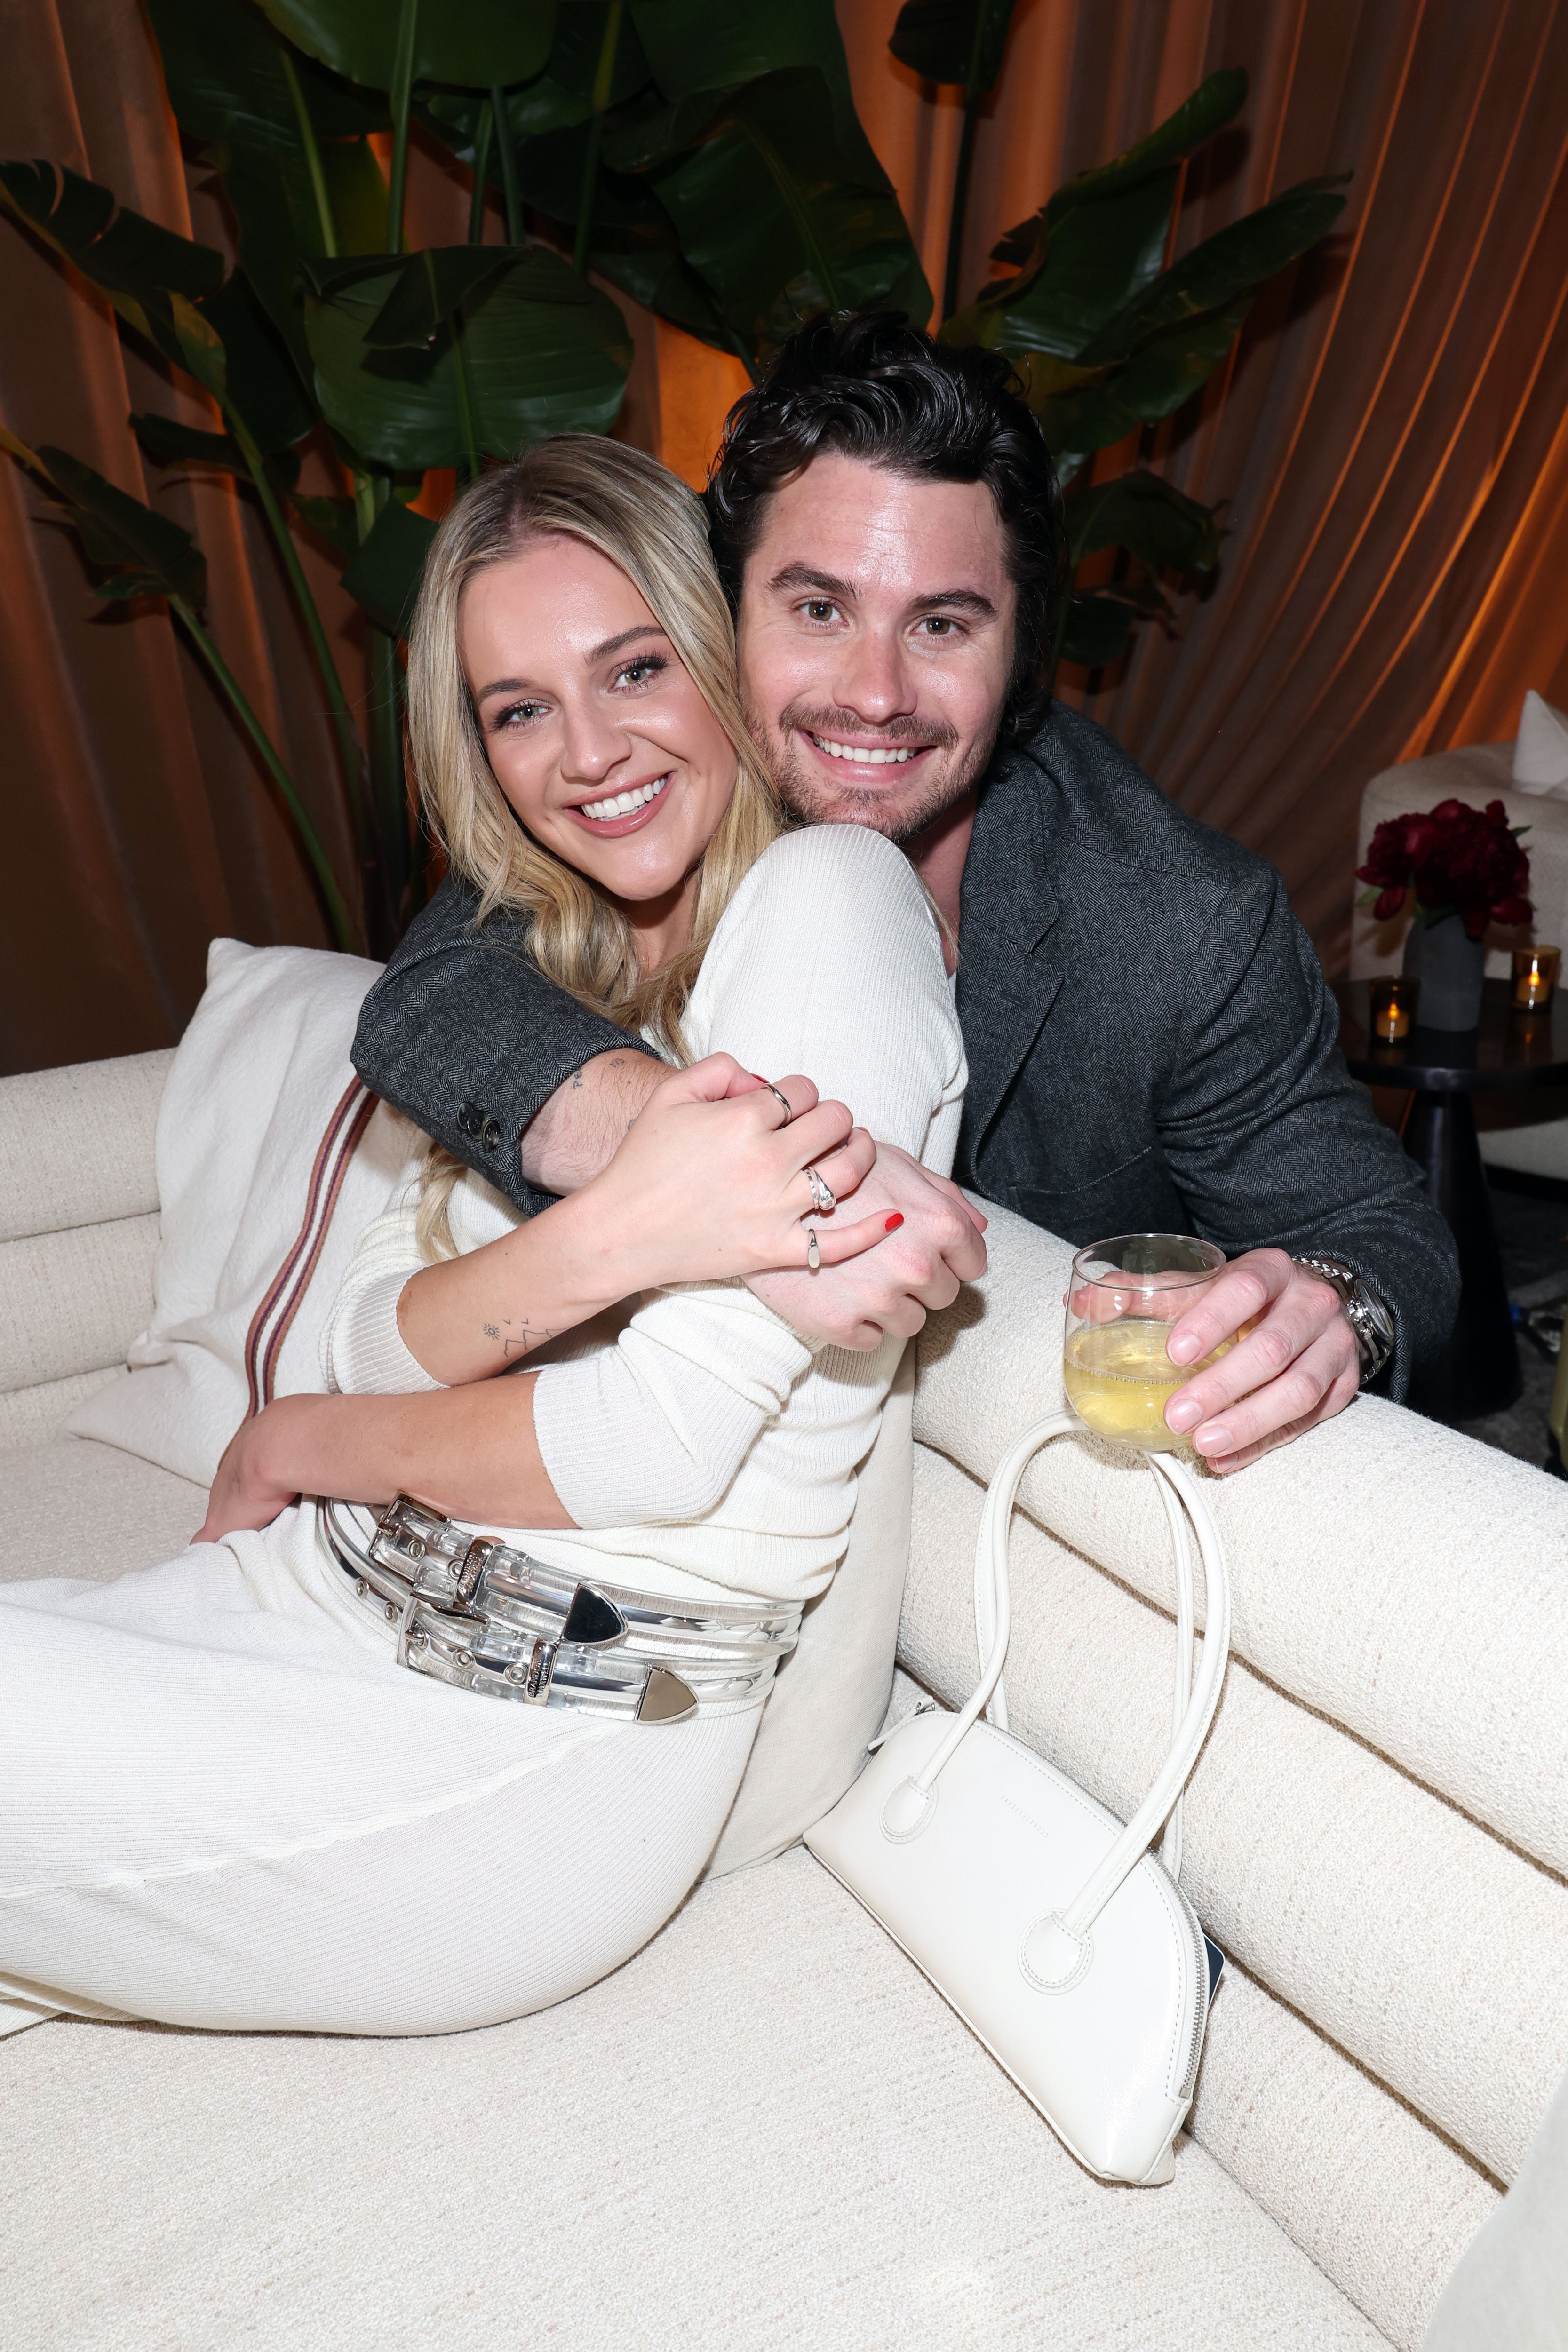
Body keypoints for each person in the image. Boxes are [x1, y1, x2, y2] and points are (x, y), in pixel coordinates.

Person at [0, 440, 965, 2040]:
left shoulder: (831, 903)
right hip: (314, 1602)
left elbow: (650, 1440)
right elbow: (367, 1334)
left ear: (721, 658)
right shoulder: (521, 971)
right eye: (518, 710)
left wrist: (311, 1437)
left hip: (529, 1735)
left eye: (635, 668)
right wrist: (622, 1233)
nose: (586, 754)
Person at [354, 314, 1460, 1476]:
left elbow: (1384, 1236)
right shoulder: (663, 800)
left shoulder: (1178, 921)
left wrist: (1339, 1303)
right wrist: (737, 1158)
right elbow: (431, 992)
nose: (874, 697)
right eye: (818, 610)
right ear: (719, 611)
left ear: (1021, 648)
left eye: (939, 624)